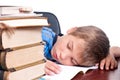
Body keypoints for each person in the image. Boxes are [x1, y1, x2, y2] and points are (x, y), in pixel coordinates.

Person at [41, 25, 117, 75]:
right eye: (69, 46)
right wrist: (36, 64)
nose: (63, 56)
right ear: (72, 30)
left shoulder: (83, 57)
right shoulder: (43, 37)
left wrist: (109, 52)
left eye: (73, 61)